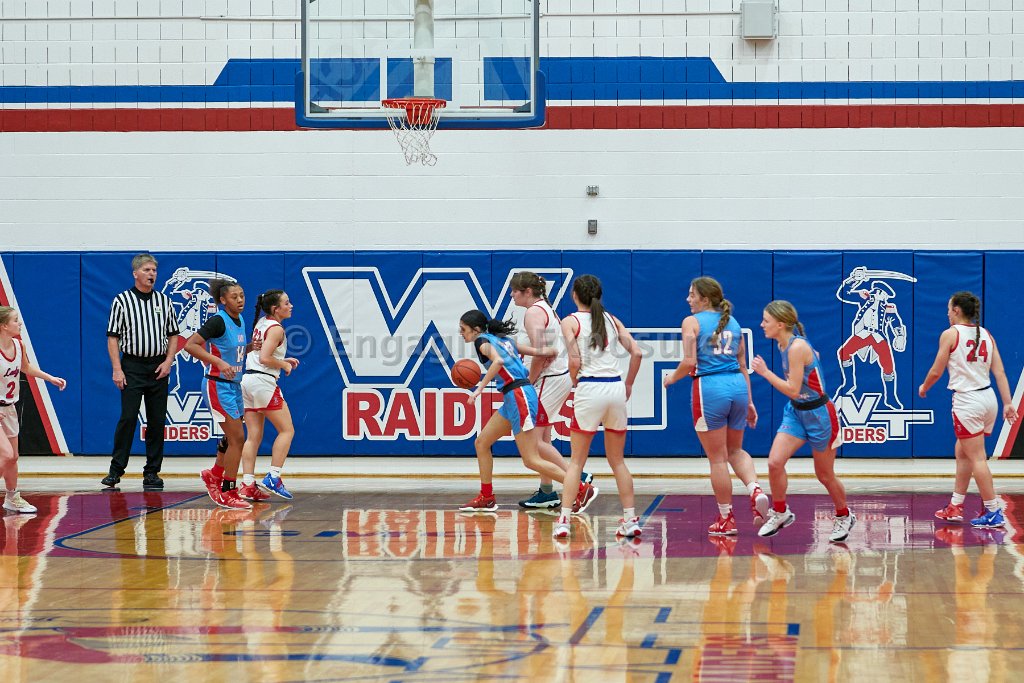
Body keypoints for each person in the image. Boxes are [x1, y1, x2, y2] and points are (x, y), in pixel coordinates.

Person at [456, 310, 596, 513]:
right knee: (482, 442)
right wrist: (548, 351)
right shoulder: (502, 339)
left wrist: (478, 389)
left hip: (518, 395)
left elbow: (498, 361)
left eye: (463, 329)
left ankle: (581, 489)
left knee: (531, 459)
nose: (461, 333)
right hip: (515, 395)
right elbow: (532, 351)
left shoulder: (481, 342)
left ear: (476, 330)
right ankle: (487, 497)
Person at [663, 276, 767, 535]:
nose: (688, 299)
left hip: (710, 388)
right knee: (736, 450)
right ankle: (755, 489)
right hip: (738, 387)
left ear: (705, 299)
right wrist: (750, 402)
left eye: (692, 295)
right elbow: (742, 366)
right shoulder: (734, 322)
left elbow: (689, 361)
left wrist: (671, 379)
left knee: (718, 459)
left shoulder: (691, 322)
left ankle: (726, 518)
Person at [750, 300, 855, 543]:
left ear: (780, 324)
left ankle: (844, 515)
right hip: (796, 412)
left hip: (820, 415)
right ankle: (780, 512)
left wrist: (765, 372)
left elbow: (793, 389)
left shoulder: (796, 347)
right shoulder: (784, 343)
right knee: (775, 463)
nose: (762, 324)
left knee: (824, 475)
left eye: (766, 320)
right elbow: (812, 359)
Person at [553, 274, 643, 540]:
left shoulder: (570, 321)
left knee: (576, 462)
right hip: (615, 388)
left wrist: (574, 381)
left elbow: (574, 360)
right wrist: (628, 384)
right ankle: (630, 520)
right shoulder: (612, 320)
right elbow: (637, 353)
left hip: (590, 387)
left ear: (574, 295)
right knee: (618, 461)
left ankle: (564, 521)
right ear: (599, 295)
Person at [919, 291, 1017, 529]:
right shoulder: (986, 334)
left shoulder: (951, 334)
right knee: (962, 451)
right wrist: (1007, 403)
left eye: (948, 309)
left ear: (956, 310)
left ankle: (993, 511)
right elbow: (1000, 372)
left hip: (967, 401)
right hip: (989, 399)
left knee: (977, 458)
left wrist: (924, 387)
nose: (947, 313)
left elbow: (936, 370)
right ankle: (956, 505)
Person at [510, 271, 594, 510]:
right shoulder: (545, 308)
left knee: (532, 443)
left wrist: (529, 381)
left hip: (547, 378)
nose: (512, 295)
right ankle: (547, 491)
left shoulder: (534, 312)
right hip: (555, 377)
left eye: (515, 291)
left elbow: (543, 353)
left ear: (527, 291)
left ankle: (578, 479)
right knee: (543, 438)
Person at [103, 253, 181, 490]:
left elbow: (173, 334)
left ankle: (152, 472)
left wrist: (169, 361)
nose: (152, 274)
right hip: (132, 366)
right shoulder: (122, 300)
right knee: (128, 418)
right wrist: (117, 369)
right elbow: (113, 337)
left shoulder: (164, 301)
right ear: (135, 273)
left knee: (156, 421)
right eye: (147, 270)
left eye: (154, 270)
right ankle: (116, 470)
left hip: (158, 366)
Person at [184, 279, 251, 510]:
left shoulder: (240, 319)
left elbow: (233, 352)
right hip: (217, 386)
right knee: (238, 439)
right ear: (223, 300)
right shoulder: (218, 321)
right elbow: (190, 345)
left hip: (234, 385)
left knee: (232, 437)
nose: (240, 300)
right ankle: (227, 490)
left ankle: (213, 474)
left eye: (242, 295)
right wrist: (219, 363)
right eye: (234, 297)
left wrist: (250, 348)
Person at [0, 307, 66, 513]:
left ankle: (12, 498)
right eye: (15, 320)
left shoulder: (19, 345)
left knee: (13, 457)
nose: (19, 323)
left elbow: (26, 368)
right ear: (4, 326)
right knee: (6, 454)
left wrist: (50, 378)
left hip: (9, 407)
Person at [239, 290, 300, 501]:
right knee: (287, 430)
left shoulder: (262, 322)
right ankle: (274, 476)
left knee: (253, 436)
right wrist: (283, 364)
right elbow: (265, 358)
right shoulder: (277, 329)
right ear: (276, 308)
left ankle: (247, 483)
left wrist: (282, 359)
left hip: (247, 381)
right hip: (262, 382)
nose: (291, 306)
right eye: (287, 302)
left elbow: (260, 354)